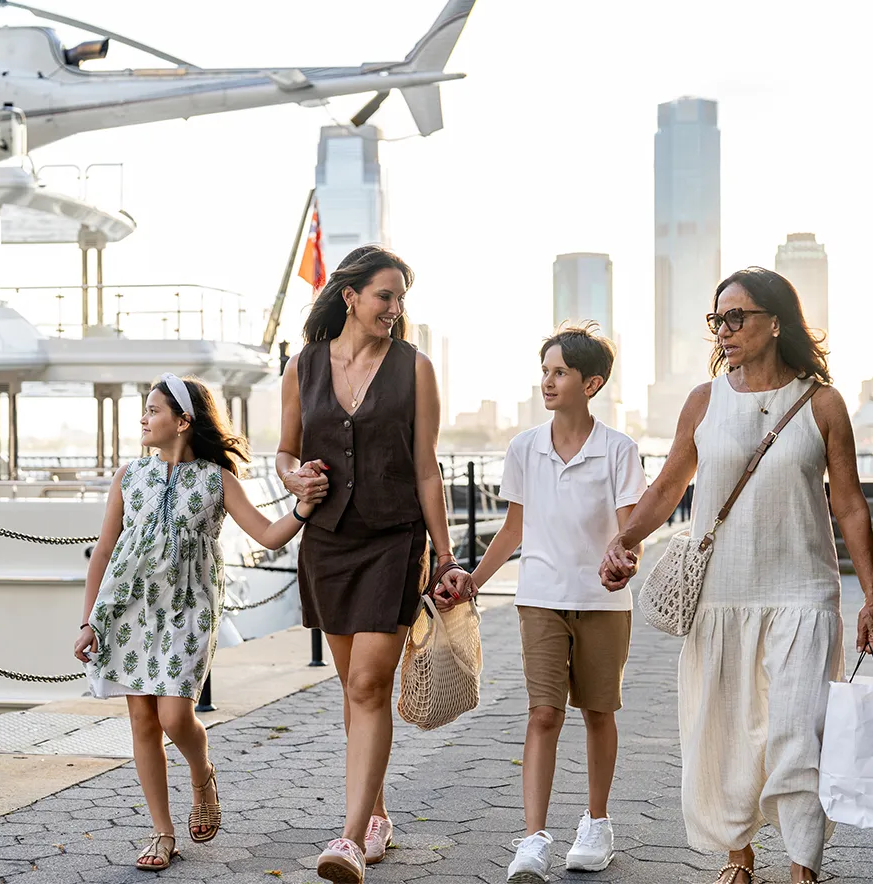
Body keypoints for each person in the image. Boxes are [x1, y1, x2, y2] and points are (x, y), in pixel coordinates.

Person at [600, 268, 873, 884]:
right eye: (716, 320)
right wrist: (624, 541)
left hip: (803, 592)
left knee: (798, 729)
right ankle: (738, 857)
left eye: (736, 317)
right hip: (722, 595)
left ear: (775, 321)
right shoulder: (705, 401)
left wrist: (872, 596)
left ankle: (804, 861)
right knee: (723, 729)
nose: (723, 330)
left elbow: (850, 504)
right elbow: (669, 485)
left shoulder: (821, 402)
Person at [276, 245, 476, 884]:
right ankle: (379, 814)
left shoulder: (415, 369)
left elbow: (426, 468)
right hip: (328, 544)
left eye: (400, 299)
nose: (394, 309)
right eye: (384, 296)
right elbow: (282, 453)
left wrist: (445, 557)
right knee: (352, 686)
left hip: (394, 541)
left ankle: (351, 837)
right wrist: (295, 477)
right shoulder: (301, 367)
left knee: (368, 684)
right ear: (350, 296)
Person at [73, 373, 322, 871]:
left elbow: (269, 534)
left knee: (173, 716)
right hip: (129, 609)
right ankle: (162, 834)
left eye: (154, 410)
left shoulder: (215, 479)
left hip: (189, 608)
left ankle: (201, 770)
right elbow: (104, 551)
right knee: (143, 722)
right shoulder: (129, 477)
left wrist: (303, 507)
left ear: (184, 421)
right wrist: (89, 620)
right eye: (144, 410)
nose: (143, 418)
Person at [470, 323, 647, 882]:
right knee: (543, 712)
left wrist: (626, 562)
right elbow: (512, 528)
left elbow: (628, 532)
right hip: (540, 597)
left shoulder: (619, 450)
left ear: (590, 383)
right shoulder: (524, 447)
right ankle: (532, 839)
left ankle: (596, 822)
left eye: (559, 372)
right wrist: (472, 581)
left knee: (598, 712)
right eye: (544, 370)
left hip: (603, 603)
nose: (546, 381)